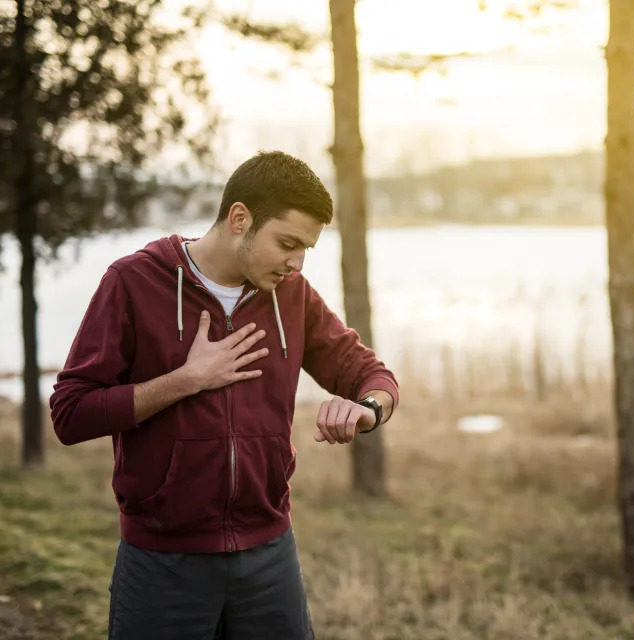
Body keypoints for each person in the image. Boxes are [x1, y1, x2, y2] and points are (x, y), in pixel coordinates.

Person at [49, 151, 399, 639]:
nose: (296, 263)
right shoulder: (133, 282)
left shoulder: (291, 294)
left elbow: (370, 373)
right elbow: (70, 413)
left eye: (306, 251)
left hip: (269, 555)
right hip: (163, 560)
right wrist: (185, 380)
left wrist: (366, 409)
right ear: (240, 219)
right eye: (287, 243)